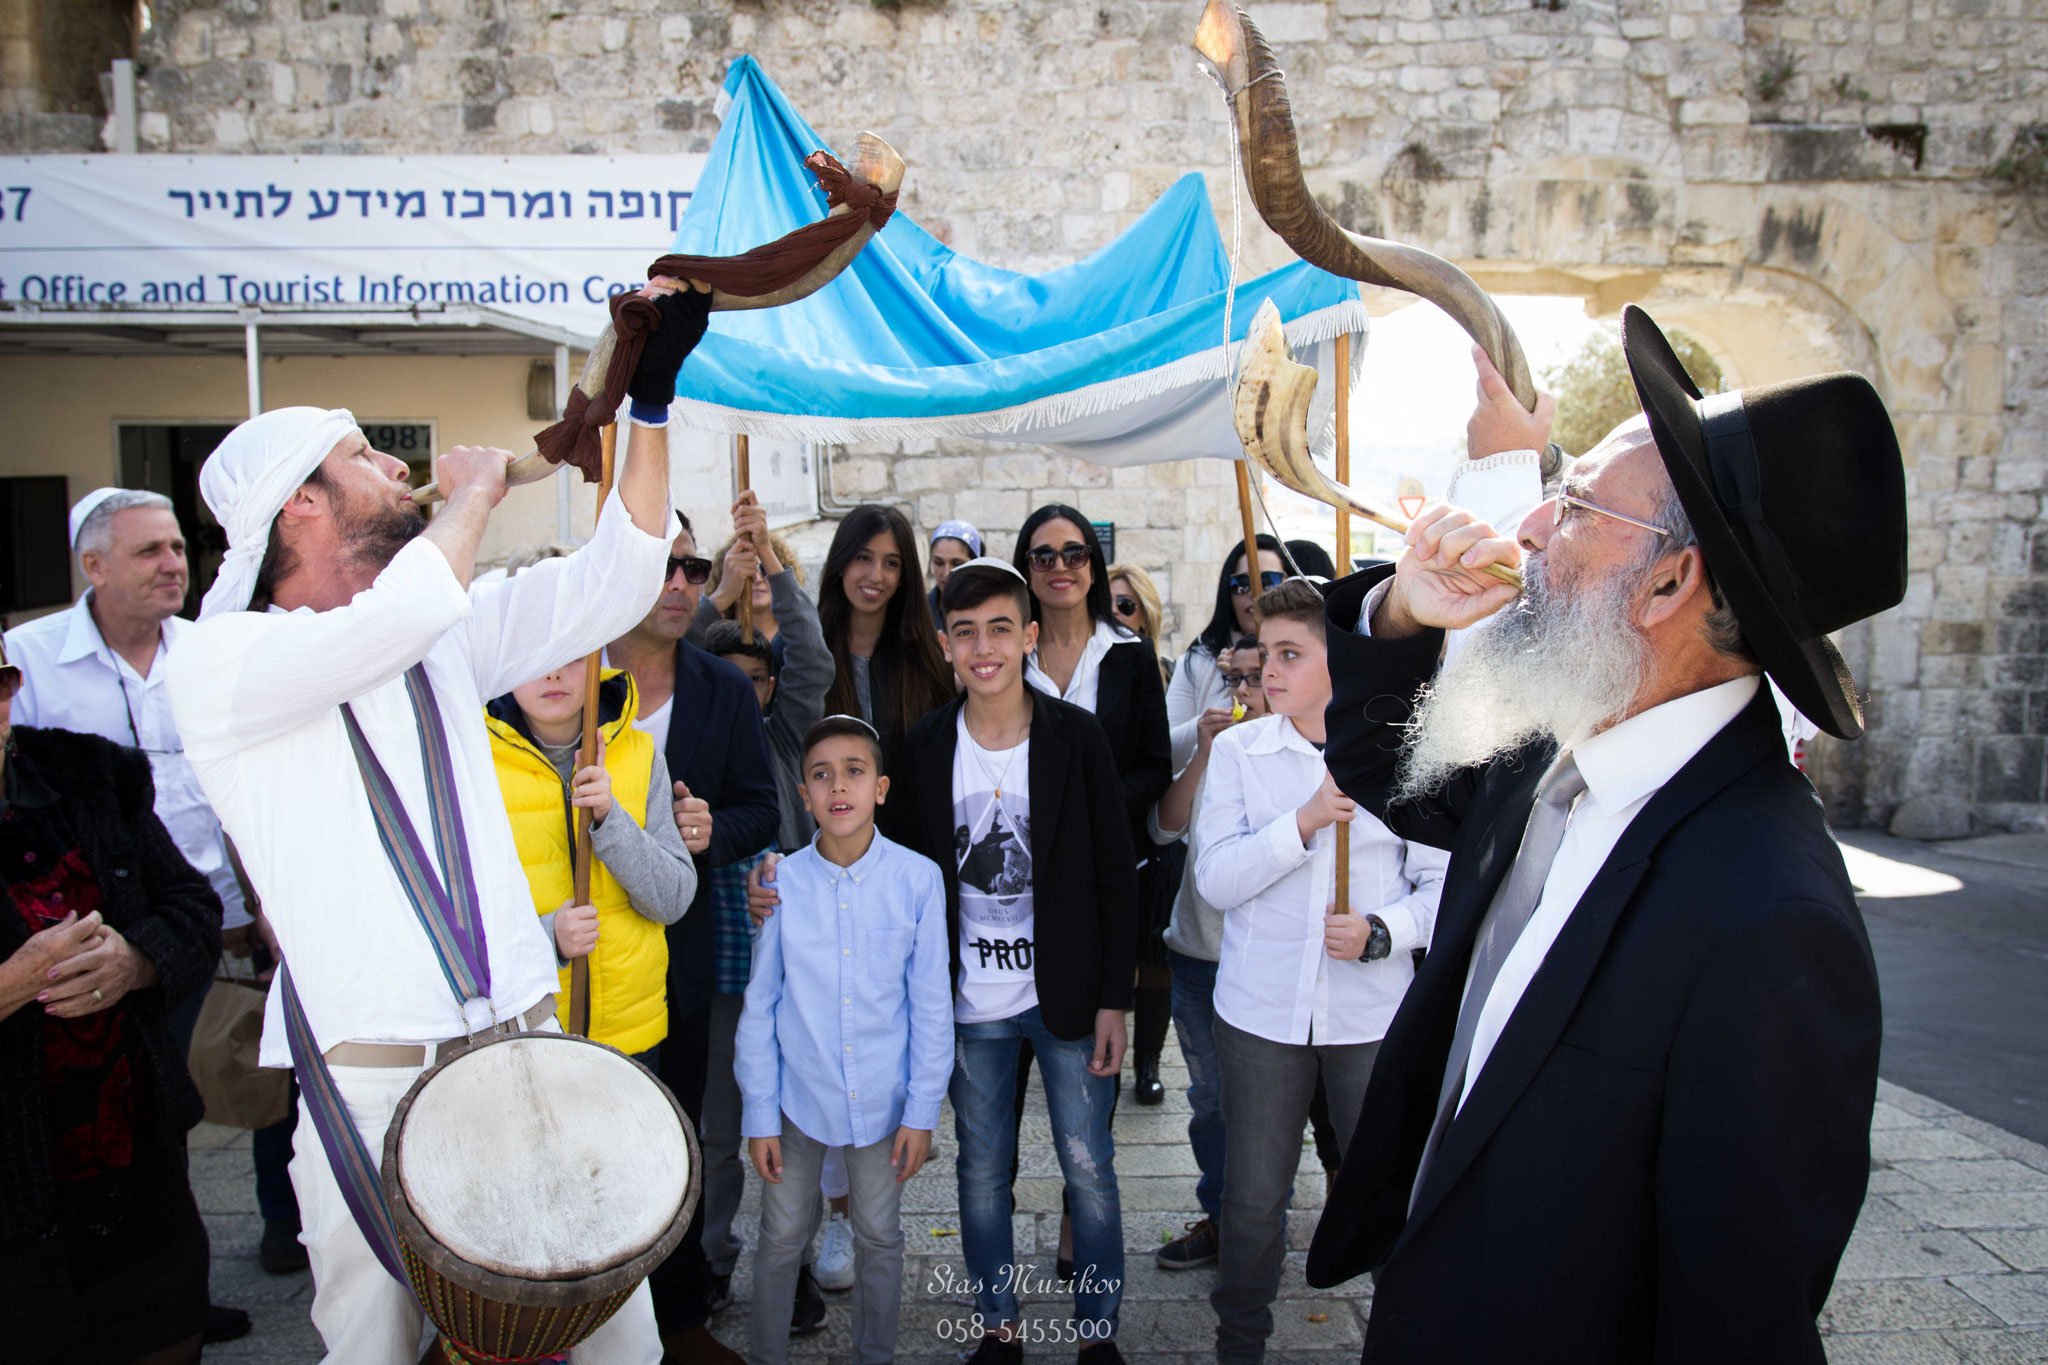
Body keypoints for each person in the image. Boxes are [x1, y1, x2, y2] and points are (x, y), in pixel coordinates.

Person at [1309, 306, 1897, 1361]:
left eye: (1575, 504)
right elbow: (1383, 766)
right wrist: (1399, 610)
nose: (1531, 527)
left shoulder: (1767, 919)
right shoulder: (1555, 745)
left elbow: (1735, 1321)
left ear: (1670, 582)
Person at [165, 283, 691, 1364]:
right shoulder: (221, 663)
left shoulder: (440, 627)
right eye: (363, 455)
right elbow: (401, 612)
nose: (394, 465)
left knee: (622, 1350)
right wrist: (477, 494)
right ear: (298, 505)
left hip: (531, 1050)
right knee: (373, 1352)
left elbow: (622, 576)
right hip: (373, 1086)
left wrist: (652, 404)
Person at [748, 558, 1139, 1364]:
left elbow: (1114, 870)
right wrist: (782, 880)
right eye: (965, 632)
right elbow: (875, 859)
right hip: (971, 1003)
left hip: (1067, 995)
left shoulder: (1077, 737)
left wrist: (1115, 996)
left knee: (1089, 1167)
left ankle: (1096, 1329)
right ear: (945, 644)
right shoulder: (925, 745)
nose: (983, 647)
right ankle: (998, 1326)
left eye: (1000, 628)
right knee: (981, 1171)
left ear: (1029, 636)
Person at [4, 486, 260, 1340]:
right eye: (150, 549)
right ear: (94, 565)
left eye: (178, 547)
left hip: (200, 910)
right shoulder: (29, 660)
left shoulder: (209, 652)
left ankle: (193, 1273)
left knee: (201, 1086)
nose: (174, 564)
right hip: (73, 944)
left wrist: (250, 904)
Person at [1194, 581, 1447, 1364]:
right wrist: (1301, 822)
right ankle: (1240, 1341)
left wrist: (1381, 931)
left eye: (1289, 654)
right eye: (1262, 653)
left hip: (1368, 1014)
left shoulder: (1402, 750)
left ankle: (1397, 1339)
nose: (1268, 670)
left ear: (1338, 661)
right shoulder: (1240, 752)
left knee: (1381, 1186)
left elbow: (1442, 883)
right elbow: (1215, 878)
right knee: (1252, 1195)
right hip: (1260, 1010)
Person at [605, 508, 797, 1363]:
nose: (683, 583)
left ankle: (679, 1317)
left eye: (691, 567)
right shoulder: (561, 670)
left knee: (675, 1135)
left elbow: (762, 806)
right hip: (576, 949)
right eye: (665, 567)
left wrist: (711, 828)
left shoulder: (719, 685)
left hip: (675, 953)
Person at [0, 633, 223, 1362]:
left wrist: (136, 959)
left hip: (136, 1163)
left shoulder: (88, 777)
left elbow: (192, 906)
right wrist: (15, 982)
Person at [737, 715, 951, 1365]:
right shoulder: (782, 882)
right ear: (803, 794)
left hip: (883, 1100)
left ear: (880, 788)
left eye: (854, 772)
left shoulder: (917, 880)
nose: (838, 787)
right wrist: (759, 1114)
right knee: (780, 1236)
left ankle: (874, 1353)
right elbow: (760, 1005)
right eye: (822, 775)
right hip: (797, 1098)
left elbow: (931, 1006)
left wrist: (921, 1111)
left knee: (879, 1235)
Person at [1014, 507, 1170, 1105]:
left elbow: (1154, 765)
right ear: (1026, 567)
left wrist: (1088, 807)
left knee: (1090, 1063)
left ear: (1093, 564)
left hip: (1103, 873)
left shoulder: (1131, 653)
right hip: (1016, 872)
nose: (1060, 567)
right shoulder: (1006, 656)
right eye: (1044, 555)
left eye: (1074, 553)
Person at [485, 661, 695, 1060]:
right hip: (527, 1036)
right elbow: (462, 919)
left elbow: (673, 900)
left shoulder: (641, 755)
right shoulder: (475, 762)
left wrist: (610, 817)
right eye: (536, 657)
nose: (552, 673)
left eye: (571, 657)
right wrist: (548, 937)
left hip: (630, 1038)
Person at [1147, 632, 1267, 1271]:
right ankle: (1222, 1220)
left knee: (1266, 1107)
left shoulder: (1302, 753)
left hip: (1265, 959)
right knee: (1210, 1101)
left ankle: (1259, 1227)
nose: (1245, 692)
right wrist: (1202, 752)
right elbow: (1163, 827)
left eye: (1258, 677)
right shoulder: (1215, 749)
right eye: (1236, 680)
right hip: (1197, 951)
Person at [818, 504, 955, 758]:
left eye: (891, 563)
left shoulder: (928, 660)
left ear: (903, 575)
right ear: (841, 561)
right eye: (863, 558)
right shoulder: (807, 653)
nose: (875, 576)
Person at [1165, 535, 1285, 773]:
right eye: (1241, 584)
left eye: (1269, 581)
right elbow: (1166, 752)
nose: (1255, 592)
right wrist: (1233, 693)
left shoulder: (1303, 658)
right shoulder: (1200, 659)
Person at [1106, 562, 1169, 684]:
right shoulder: (1084, 668)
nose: (1113, 610)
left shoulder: (1170, 677)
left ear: (1145, 617)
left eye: (1125, 603)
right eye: (1105, 603)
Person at [926, 518, 983, 629]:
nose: (946, 573)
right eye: (939, 563)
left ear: (975, 564)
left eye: (957, 564)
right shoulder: (919, 610)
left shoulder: (991, 608)